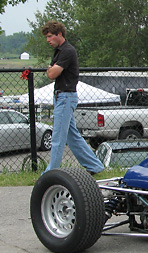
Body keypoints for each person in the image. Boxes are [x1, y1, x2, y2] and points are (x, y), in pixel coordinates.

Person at [42, 21, 104, 175]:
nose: (47, 40)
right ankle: (95, 166)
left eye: (50, 36)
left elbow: (52, 74)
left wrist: (51, 70)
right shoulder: (58, 51)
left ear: (59, 34)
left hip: (66, 97)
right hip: (60, 97)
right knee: (72, 136)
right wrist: (51, 70)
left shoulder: (68, 51)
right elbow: (52, 73)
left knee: (57, 137)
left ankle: (51, 173)